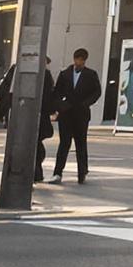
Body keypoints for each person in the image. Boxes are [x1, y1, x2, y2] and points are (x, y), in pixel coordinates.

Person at [46, 48, 102, 184]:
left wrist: (86, 103)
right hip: (66, 113)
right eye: (77, 59)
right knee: (64, 143)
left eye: (81, 60)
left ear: (85, 60)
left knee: (80, 143)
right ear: (74, 59)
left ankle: (82, 171)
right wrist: (59, 106)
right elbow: (57, 92)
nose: (79, 62)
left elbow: (97, 92)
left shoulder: (91, 74)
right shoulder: (65, 74)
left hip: (81, 113)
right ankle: (58, 172)